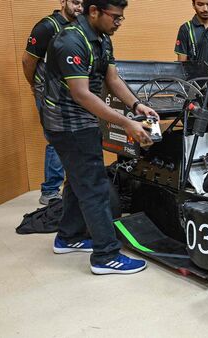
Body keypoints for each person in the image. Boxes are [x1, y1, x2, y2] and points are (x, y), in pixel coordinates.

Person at [43, 0, 159, 274]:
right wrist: (127, 123)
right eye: (115, 17)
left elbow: (113, 80)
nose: (119, 22)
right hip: (68, 125)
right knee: (94, 187)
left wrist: (136, 105)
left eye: (121, 17)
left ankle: (68, 237)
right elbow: (81, 93)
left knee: (77, 180)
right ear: (93, 11)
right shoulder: (70, 40)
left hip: (83, 121)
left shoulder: (103, 39)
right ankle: (105, 256)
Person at [22, 0, 83, 205]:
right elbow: (27, 61)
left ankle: (72, 189)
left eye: (83, 3)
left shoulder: (82, 26)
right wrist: (36, 87)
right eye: (75, 2)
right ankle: (49, 192)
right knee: (57, 140)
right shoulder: (47, 27)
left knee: (76, 139)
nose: (79, 7)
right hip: (50, 95)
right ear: (63, 1)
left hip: (75, 94)